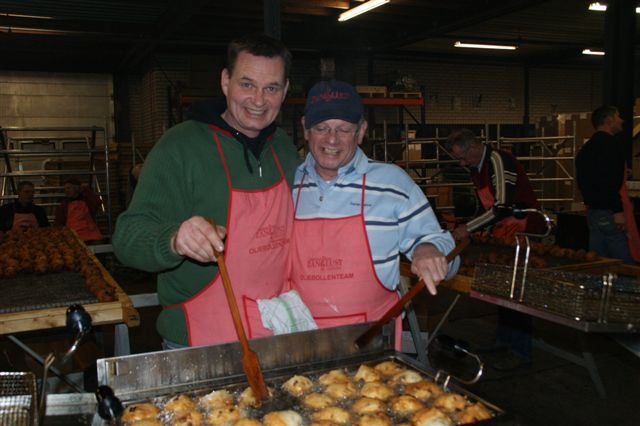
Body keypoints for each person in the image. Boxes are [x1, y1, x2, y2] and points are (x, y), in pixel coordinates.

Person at [112, 34, 299, 348]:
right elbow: (127, 236)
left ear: (285, 91)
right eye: (247, 84)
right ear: (225, 81)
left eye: (271, 88)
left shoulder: (283, 147)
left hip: (277, 333)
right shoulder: (180, 146)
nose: (258, 100)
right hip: (199, 340)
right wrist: (174, 239)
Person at [289, 80, 459, 348]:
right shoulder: (286, 183)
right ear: (305, 129)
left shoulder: (393, 183)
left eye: (343, 129)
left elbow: (448, 251)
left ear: (361, 131)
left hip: (373, 343)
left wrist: (429, 248)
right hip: (298, 340)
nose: (331, 140)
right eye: (322, 128)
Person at [446, 128, 547, 371]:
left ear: (473, 147)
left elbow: (502, 206)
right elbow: (486, 207)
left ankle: (520, 351)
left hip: (521, 229)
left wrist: (467, 229)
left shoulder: (497, 160)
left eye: (462, 157)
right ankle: (504, 342)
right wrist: (469, 225)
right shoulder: (475, 168)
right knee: (502, 290)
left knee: (516, 291)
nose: (461, 163)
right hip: (502, 233)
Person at [576, 105, 640, 264]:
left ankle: (598, 288)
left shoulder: (586, 149)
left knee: (599, 262)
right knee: (624, 263)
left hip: (594, 212)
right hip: (610, 212)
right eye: (618, 116)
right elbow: (609, 181)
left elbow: (587, 180)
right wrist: (617, 211)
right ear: (609, 120)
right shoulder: (612, 147)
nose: (622, 120)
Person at [54, 177, 103, 242]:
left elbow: (97, 202)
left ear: (76, 188)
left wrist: (85, 190)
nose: (66, 191)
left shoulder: (87, 200)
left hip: (90, 236)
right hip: (72, 237)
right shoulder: (64, 205)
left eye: (69, 188)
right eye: (65, 189)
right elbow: (59, 222)